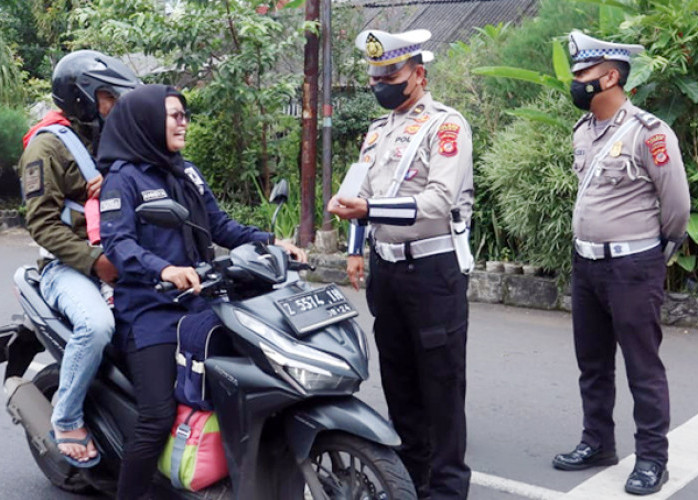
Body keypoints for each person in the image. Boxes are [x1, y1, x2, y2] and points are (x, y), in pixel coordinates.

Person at [97, 84, 306, 499]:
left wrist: (270, 241)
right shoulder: (123, 181)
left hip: (201, 302)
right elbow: (118, 245)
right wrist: (166, 268)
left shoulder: (185, 171)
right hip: (150, 313)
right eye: (174, 115)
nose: (183, 122)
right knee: (156, 418)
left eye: (184, 115)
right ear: (146, 122)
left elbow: (221, 225)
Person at [328, 29, 473, 499]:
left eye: (390, 74)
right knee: (399, 380)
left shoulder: (446, 126)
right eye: (375, 76)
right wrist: (355, 248)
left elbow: (438, 201)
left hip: (432, 272)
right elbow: (357, 194)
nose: (381, 83)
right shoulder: (377, 130)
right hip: (387, 272)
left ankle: (448, 487)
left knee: (441, 385)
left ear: (418, 75)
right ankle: (411, 479)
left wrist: (367, 213)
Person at [552, 31, 690, 496]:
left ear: (610, 77)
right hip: (587, 264)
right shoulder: (583, 131)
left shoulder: (649, 133)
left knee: (642, 368)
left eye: (583, 74)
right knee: (592, 364)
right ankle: (598, 443)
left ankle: (652, 459)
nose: (575, 82)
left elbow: (676, 207)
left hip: (633, 267)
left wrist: (654, 255)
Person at [17, 50, 140, 467]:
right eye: (108, 98)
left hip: (118, 257)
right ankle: (67, 415)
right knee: (97, 325)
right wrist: (95, 262)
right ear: (83, 97)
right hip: (65, 267)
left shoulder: (105, 139)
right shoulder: (46, 148)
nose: (115, 106)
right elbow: (42, 224)